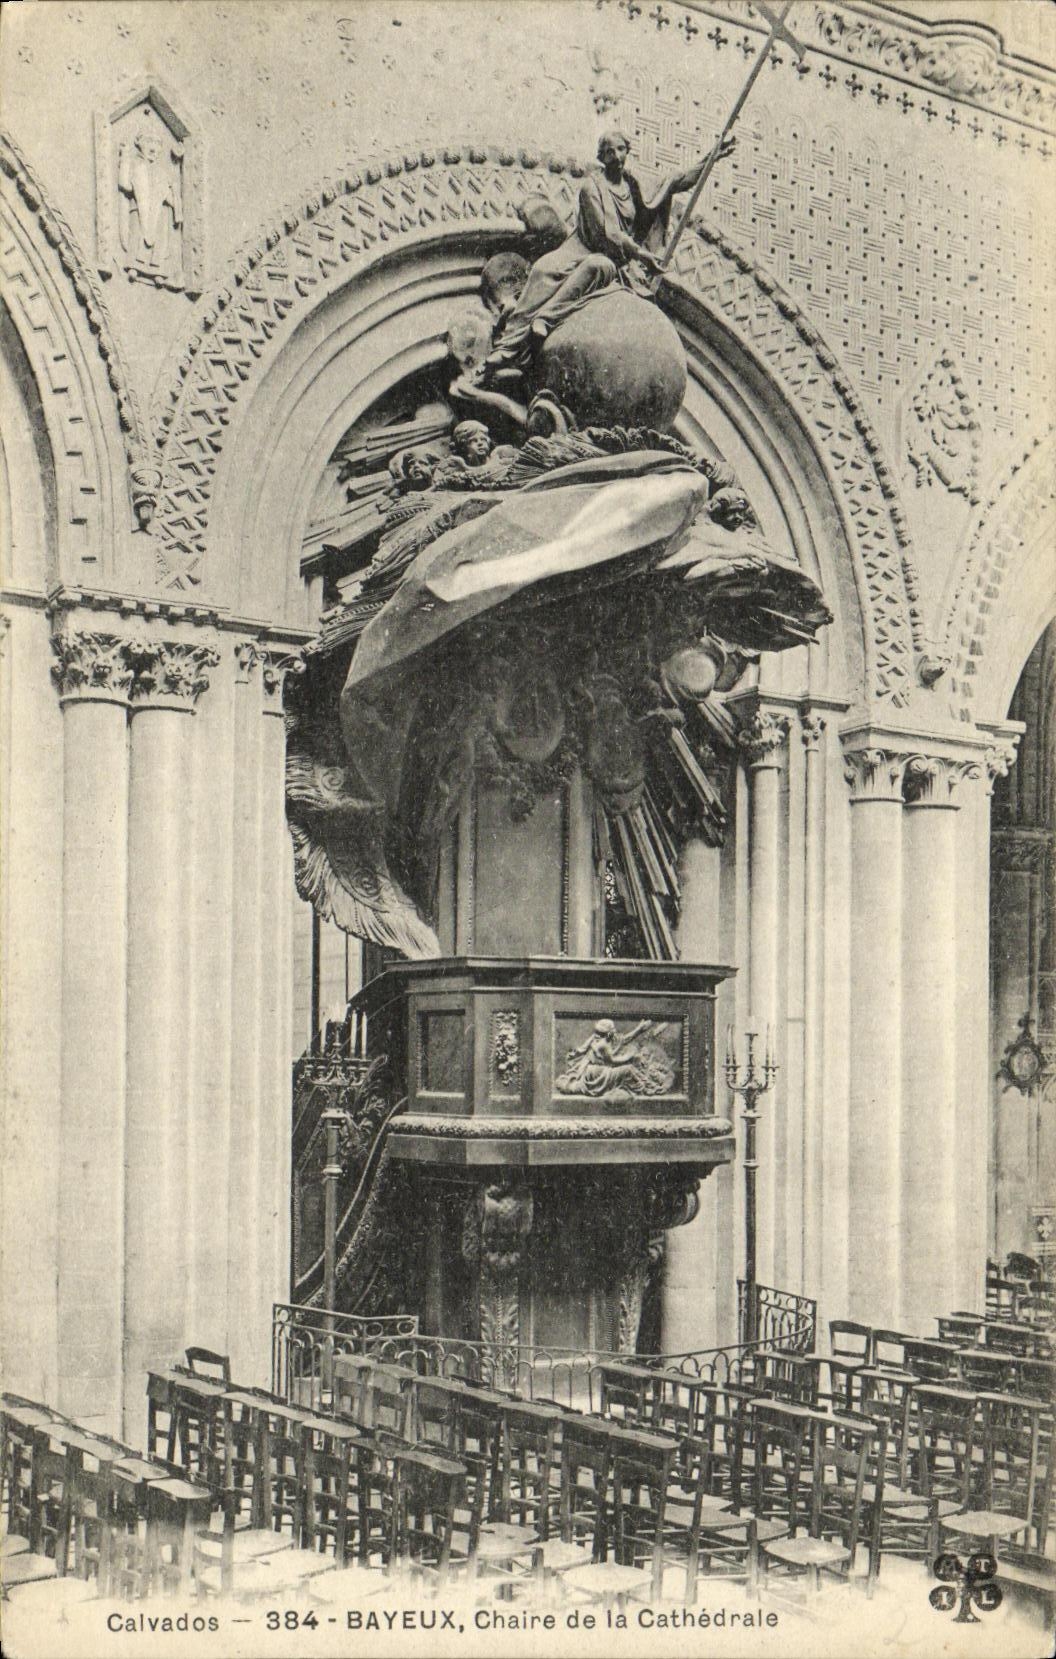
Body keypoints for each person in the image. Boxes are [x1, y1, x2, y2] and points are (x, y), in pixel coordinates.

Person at [482, 127, 735, 379]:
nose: (616, 156)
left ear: (627, 151)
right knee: (542, 271)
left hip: (614, 261)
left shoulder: (634, 185)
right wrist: (642, 256)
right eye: (609, 152)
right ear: (601, 157)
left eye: (621, 149)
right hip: (581, 250)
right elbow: (607, 233)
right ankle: (508, 346)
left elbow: (677, 181)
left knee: (599, 266)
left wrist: (709, 159)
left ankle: (545, 319)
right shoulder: (591, 188)